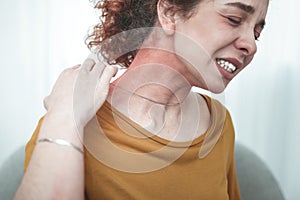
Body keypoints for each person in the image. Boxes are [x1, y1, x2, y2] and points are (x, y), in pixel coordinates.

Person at [14, 0, 269, 199]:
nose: (252, 45)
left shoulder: (219, 124)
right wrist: (63, 117)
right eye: (234, 19)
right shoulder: (70, 122)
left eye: (256, 32)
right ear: (169, 13)